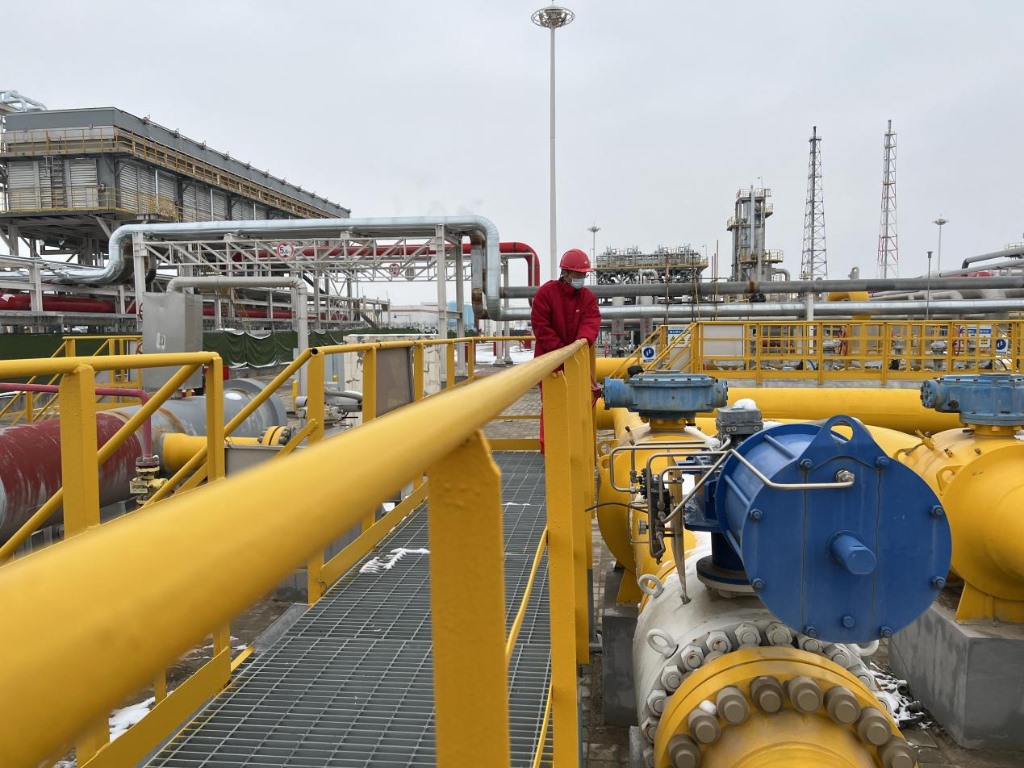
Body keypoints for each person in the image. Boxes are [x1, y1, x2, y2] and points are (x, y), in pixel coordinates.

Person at [531, 248, 602, 452]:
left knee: (578, 407)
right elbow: (541, 325)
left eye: (583, 275)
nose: (581, 279)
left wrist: (581, 342)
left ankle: (575, 450)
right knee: (553, 407)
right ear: (565, 273)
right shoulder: (546, 293)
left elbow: (592, 320)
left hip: (576, 362)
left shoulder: (587, 297)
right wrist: (562, 351)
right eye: (578, 274)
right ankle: (551, 452)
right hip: (551, 363)